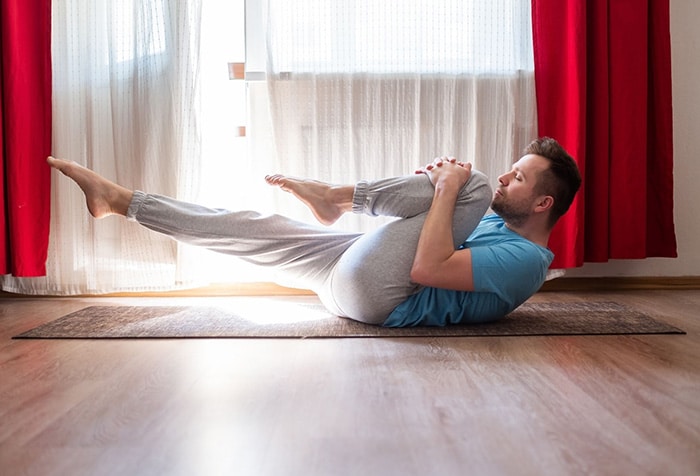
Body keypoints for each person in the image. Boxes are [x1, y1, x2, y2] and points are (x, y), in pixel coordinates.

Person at [47, 137, 581, 327]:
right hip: (349, 275)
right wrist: (443, 184)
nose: (506, 179)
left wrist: (449, 189)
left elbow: (427, 268)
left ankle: (335, 196)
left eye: (520, 177)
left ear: (543, 202)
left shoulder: (527, 262)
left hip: (386, 297)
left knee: (470, 180)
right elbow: (424, 235)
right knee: (251, 228)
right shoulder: (493, 219)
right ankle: (121, 202)